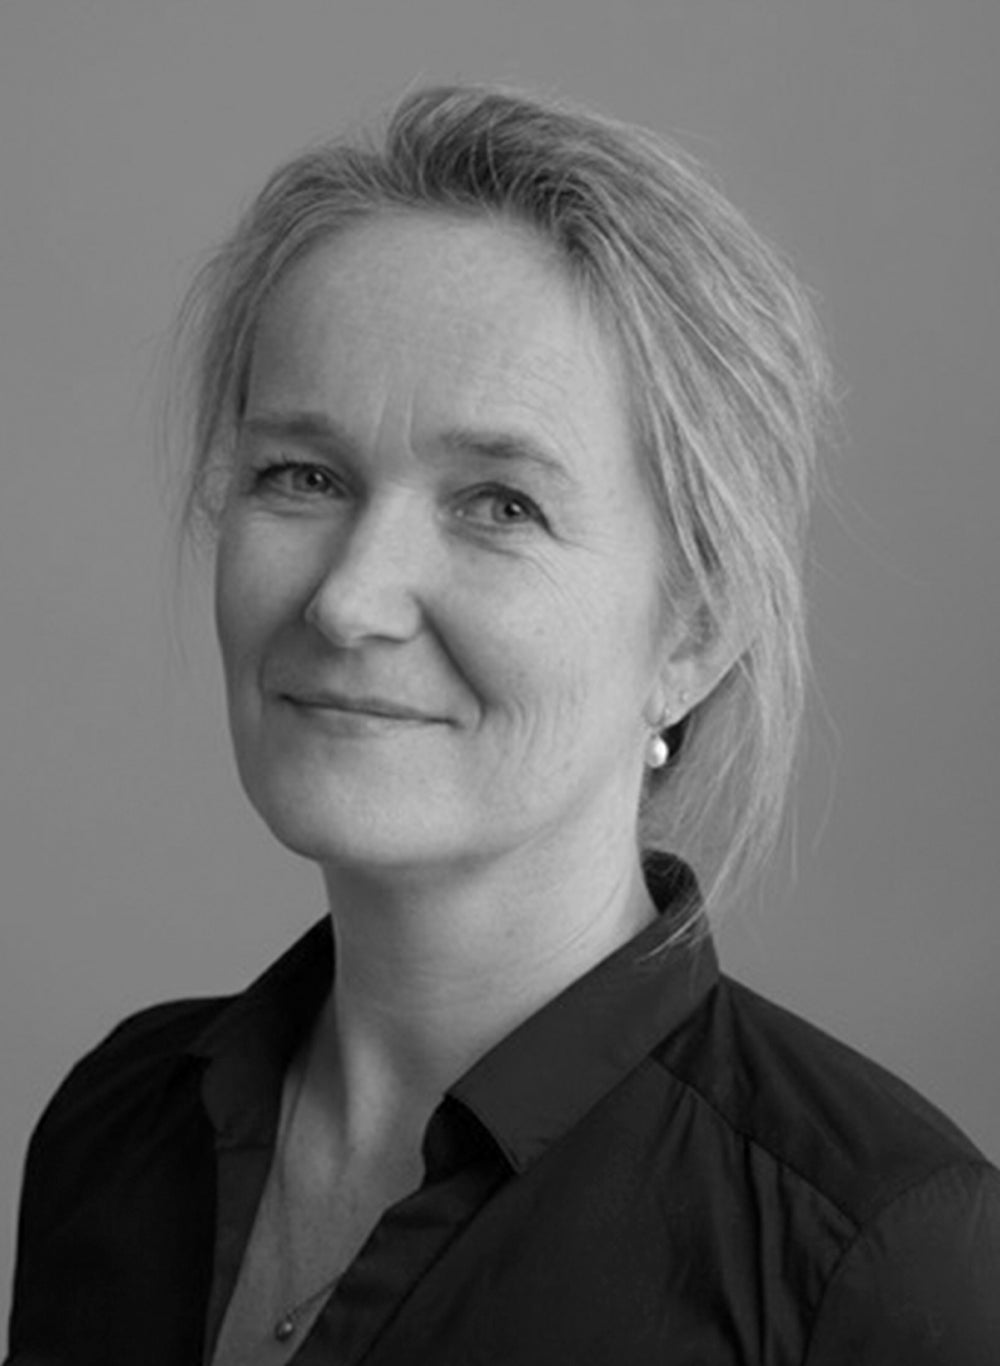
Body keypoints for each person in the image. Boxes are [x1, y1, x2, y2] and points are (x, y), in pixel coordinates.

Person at [6, 83, 999, 1366]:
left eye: (499, 505)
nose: (350, 599)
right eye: (301, 476)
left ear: (694, 633)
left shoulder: (871, 1261)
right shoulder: (114, 1127)